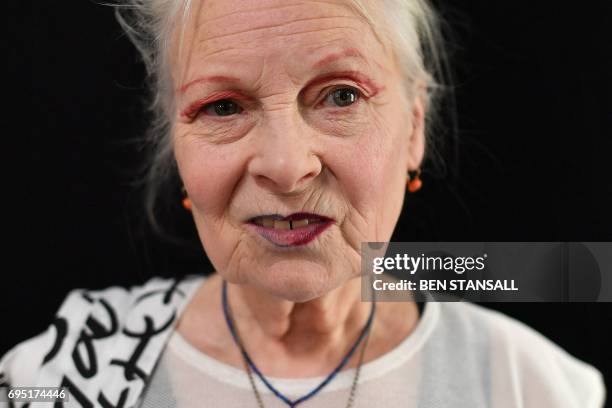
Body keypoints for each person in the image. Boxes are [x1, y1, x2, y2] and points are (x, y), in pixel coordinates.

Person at [1, 0, 606, 407]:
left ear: (414, 127)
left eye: (341, 95)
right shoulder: (52, 380)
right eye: (223, 107)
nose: (288, 167)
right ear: (177, 148)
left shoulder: (535, 387)